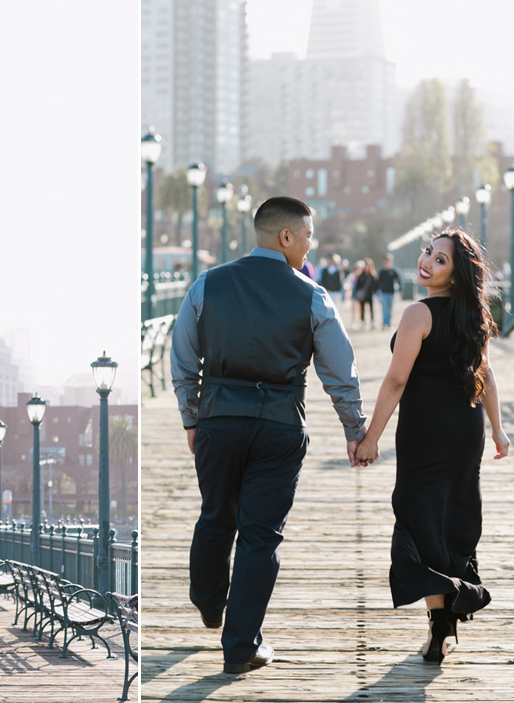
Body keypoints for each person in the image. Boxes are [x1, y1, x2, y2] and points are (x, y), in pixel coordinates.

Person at [171, 196, 368, 675]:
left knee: (216, 518)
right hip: (279, 426)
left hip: (218, 422)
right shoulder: (312, 296)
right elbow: (339, 371)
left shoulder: (206, 284)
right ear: (286, 237)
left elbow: (181, 357)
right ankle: (240, 649)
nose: (310, 243)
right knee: (260, 537)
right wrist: (354, 429)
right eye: (307, 235)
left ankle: (208, 602)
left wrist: (192, 418)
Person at [354, 229, 510, 663]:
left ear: (457, 275)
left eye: (440, 260)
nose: (427, 261)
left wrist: (371, 438)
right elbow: (488, 375)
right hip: (465, 430)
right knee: (452, 514)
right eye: (428, 252)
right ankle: (445, 623)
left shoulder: (416, 314)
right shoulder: (474, 316)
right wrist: (498, 430)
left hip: (425, 434)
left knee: (420, 518)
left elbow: (396, 380)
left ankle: (441, 623)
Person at [376, 253, 403, 330]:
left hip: (392, 293)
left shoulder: (394, 271)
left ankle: (389, 323)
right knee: (384, 309)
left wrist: (400, 291)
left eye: (388, 261)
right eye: (385, 261)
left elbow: (400, 281)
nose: (387, 262)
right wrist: (377, 292)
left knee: (390, 309)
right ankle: (385, 324)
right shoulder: (382, 272)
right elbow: (378, 283)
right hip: (383, 293)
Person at [353, 258, 378, 329]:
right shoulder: (361, 276)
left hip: (370, 295)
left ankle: (372, 322)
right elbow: (358, 286)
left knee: (371, 309)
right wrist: (356, 295)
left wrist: (375, 293)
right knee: (362, 309)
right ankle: (362, 322)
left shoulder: (372, 276)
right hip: (362, 296)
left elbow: (375, 285)